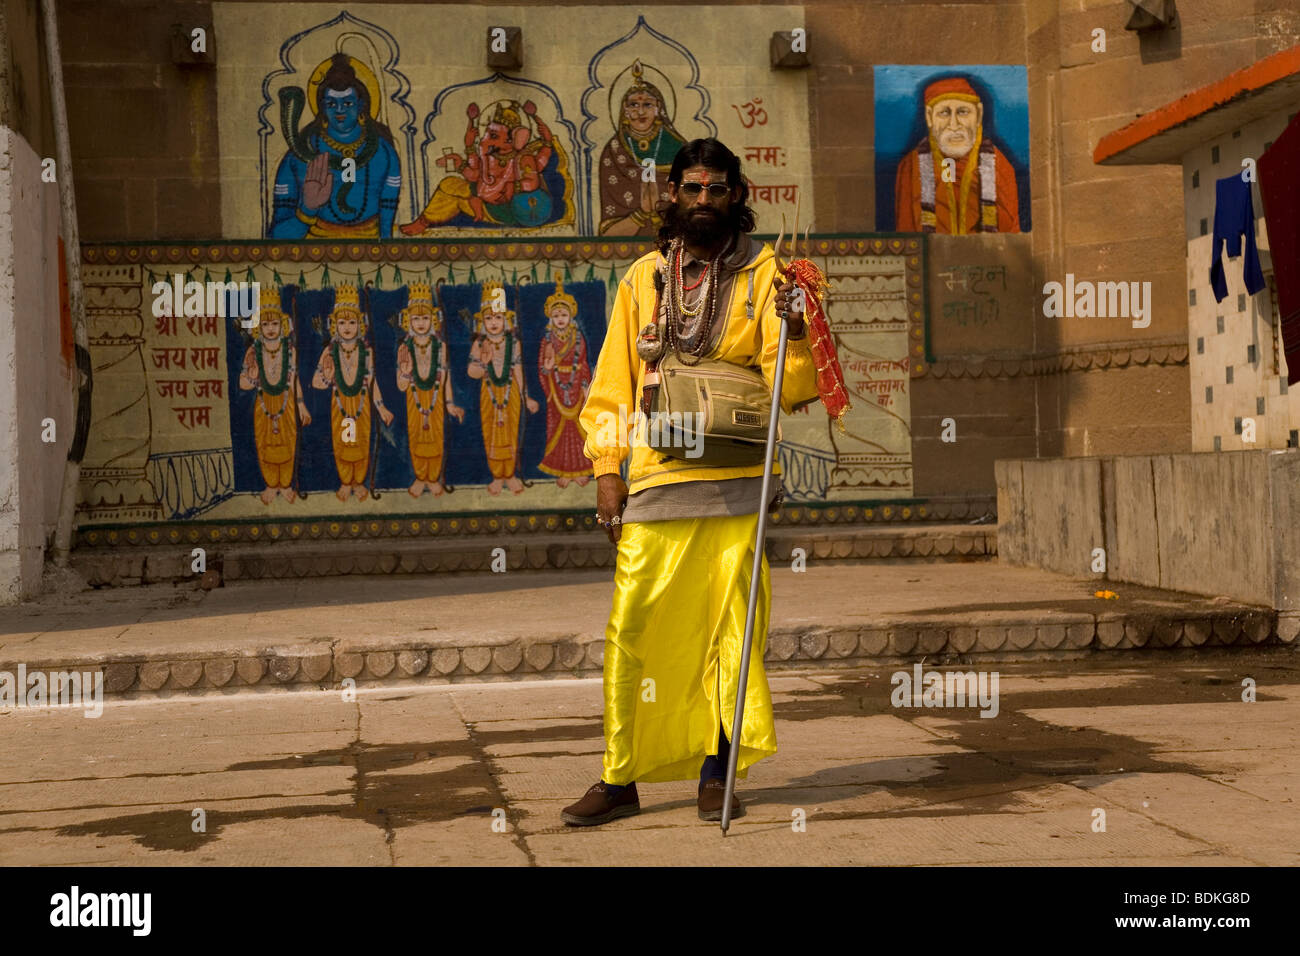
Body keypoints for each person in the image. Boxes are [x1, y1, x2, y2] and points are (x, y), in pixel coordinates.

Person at [562, 137, 819, 826]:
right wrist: (607, 471)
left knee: (733, 633)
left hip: (738, 480)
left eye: (717, 190)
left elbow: (791, 388)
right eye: (692, 188)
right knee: (635, 630)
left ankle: (718, 769)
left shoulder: (769, 275)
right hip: (656, 481)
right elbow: (613, 383)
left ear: (737, 196)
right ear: (672, 195)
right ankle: (621, 777)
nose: (704, 201)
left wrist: (796, 327)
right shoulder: (644, 277)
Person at [269, 54, 402, 239]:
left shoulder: (383, 152)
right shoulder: (299, 155)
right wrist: (307, 210)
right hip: (314, 251)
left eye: (347, 103)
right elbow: (277, 237)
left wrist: (386, 249)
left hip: (372, 249)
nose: (340, 110)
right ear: (322, 107)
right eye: (331, 104)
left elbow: (386, 228)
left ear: (361, 104)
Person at [893, 76, 1020, 234]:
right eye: (944, 113)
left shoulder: (1000, 166)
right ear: (929, 117)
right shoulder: (910, 167)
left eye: (963, 112)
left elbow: (1011, 237)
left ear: (979, 115)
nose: (953, 125)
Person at [311, 283, 394, 500]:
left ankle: (358, 481)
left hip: (362, 403)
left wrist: (381, 407)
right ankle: (346, 481)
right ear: (333, 325)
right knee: (342, 442)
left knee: (361, 441)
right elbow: (316, 383)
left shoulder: (366, 351)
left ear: (360, 325)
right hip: (339, 403)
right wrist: (327, 377)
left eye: (352, 322)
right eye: (341, 322)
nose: (347, 327)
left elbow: (372, 382)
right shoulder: (329, 351)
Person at [597, 60, 688, 236]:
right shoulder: (615, 151)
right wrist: (641, 214)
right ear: (625, 110)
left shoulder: (678, 148)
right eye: (633, 105)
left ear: (658, 108)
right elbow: (608, 233)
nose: (640, 112)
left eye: (647, 105)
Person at [238, 285, 310, 503]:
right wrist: (252, 375)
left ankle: (286, 484)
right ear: (258, 328)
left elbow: (294, 380)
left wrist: (301, 404)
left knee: (289, 441)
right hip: (263, 404)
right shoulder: (253, 351)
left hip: (286, 403)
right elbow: (243, 384)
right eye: (265, 324)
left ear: (283, 325)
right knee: (264, 442)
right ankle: (271, 484)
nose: (270, 328)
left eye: (275, 323)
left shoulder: (290, 350)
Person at [466, 280, 540, 494]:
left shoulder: (513, 342)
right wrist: (484, 362)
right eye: (488, 318)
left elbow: (518, 370)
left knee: (510, 432)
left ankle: (510, 474)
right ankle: (497, 476)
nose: (494, 322)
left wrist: (526, 397)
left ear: (506, 320)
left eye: (498, 317)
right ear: (482, 321)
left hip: (511, 393)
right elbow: (472, 372)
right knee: (490, 432)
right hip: (489, 393)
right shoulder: (479, 344)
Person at [395, 281, 463, 497]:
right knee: (416, 437)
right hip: (414, 398)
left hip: (436, 399)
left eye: (425, 318)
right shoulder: (404, 348)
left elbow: (445, 377)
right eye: (416, 318)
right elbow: (401, 385)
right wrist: (405, 372)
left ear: (433, 319)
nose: (421, 323)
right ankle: (419, 476)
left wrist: (450, 403)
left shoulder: (440, 346)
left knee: (436, 437)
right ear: (408, 321)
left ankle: (433, 477)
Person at [537, 278, 593, 486]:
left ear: (570, 316)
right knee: (557, 430)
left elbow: (584, 363)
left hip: (576, 385)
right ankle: (562, 471)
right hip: (556, 388)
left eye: (563, 314)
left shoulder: (578, 337)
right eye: (556, 315)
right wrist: (548, 368)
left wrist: (586, 386)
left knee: (579, 429)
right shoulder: (547, 340)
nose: (560, 319)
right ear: (551, 318)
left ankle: (580, 470)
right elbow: (541, 368)